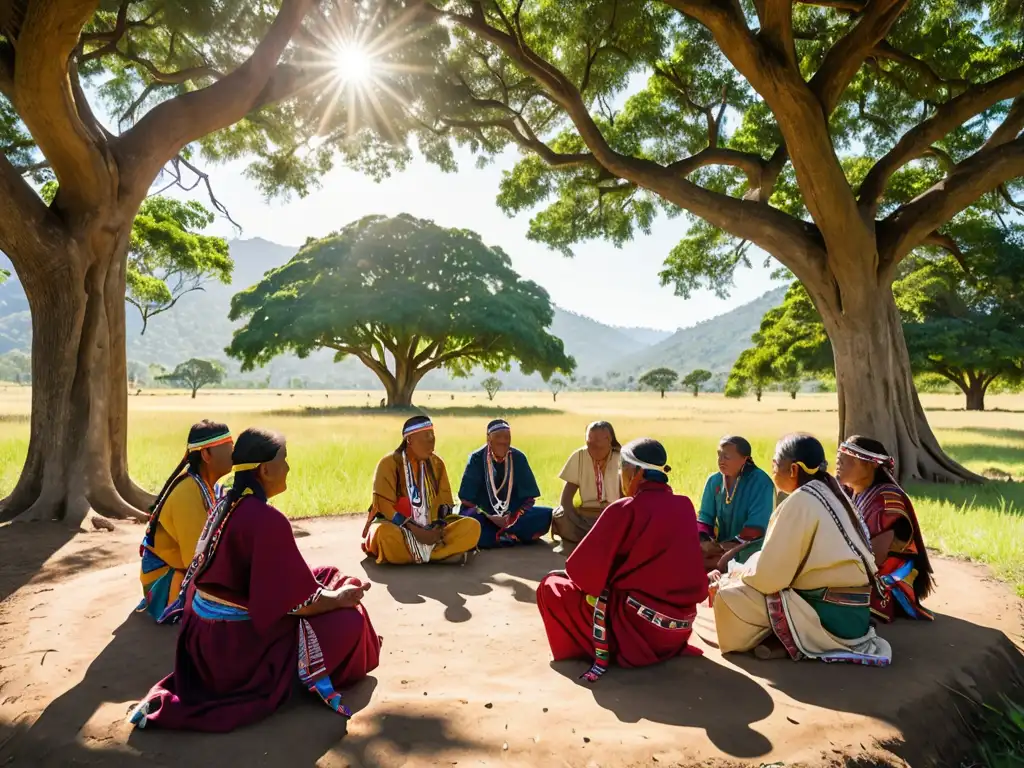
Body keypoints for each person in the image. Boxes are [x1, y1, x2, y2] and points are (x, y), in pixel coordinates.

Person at [128, 428, 381, 732]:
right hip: (234, 651)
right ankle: (302, 673)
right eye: (284, 460)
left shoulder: (226, 503)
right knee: (350, 619)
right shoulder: (266, 521)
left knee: (327, 575)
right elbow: (300, 604)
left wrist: (328, 591)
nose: (288, 467)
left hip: (203, 641)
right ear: (265, 469)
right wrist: (339, 598)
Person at [709, 433, 892, 666]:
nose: (772, 468)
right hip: (854, 613)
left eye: (775, 463)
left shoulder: (800, 501)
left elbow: (769, 579)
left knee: (727, 596)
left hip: (830, 615)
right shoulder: (829, 490)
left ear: (793, 470)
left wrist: (734, 575)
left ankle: (794, 639)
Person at [536, 438, 708, 682]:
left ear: (637, 472)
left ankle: (582, 651)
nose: (620, 475)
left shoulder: (625, 509)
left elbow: (581, 574)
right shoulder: (685, 505)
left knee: (552, 587)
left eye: (622, 469)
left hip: (637, 634)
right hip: (677, 630)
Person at [137, 420, 233, 623]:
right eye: (228, 448)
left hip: (182, 570)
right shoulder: (188, 493)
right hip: (168, 582)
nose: (234, 454)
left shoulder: (207, 487)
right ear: (206, 455)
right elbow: (197, 562)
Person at [836, 436, 934, 621]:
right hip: (860, 566)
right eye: (840, 457)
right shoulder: (848, 492)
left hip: (888, 580)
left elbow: (875, 557)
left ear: (872, 465)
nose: (840, 463)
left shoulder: (887, 501)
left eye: (851, 459)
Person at [362, 415, 481, 565]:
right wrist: (416, 531)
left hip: (431, 528)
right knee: (383, 536)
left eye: (433, 436)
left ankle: (418, 555)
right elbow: (384, 506)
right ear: (409, 440)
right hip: (399, 528)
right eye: (426, 437)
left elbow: (445, 504)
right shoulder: (388, 464)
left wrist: (436, 528)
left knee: (472, 526)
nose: (431, 441)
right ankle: (438, 555)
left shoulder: (437, 464)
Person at [457, 419, 553, 548]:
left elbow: (529, 498)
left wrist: (512, 517)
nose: (503, 441)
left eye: (506, 437)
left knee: (546, 515)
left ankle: (501, 534)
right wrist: (491, 517)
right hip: (484, 515)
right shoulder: (476, 459)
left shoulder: (518, 457)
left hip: (513, 516)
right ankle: (508, 535)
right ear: (488, 439)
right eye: (498, 437)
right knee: (469, 521)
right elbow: (466, 498)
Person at [697, 436, 775, 573]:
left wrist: (722, 548)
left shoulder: (761, 482)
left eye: (726, 456)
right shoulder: (714, 481)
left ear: (744, 459)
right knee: (690, 557)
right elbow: (704, 518)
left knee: (710, 564)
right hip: (720, 547)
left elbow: (756, 528)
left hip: (751, 549)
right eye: (719, 455)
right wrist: (704, 542)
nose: (721, 460)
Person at [551, 421, 622, 555]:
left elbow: (628, 497)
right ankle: (581, 543)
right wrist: (569, 514)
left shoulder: (622, 458)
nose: (592, 447)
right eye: (589, 443)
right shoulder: (579, 455)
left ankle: (599, 543)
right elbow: (566, 498)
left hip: (613, 516)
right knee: (560, 514)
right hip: (584, 518)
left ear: (609, 440)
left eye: (597, 444)